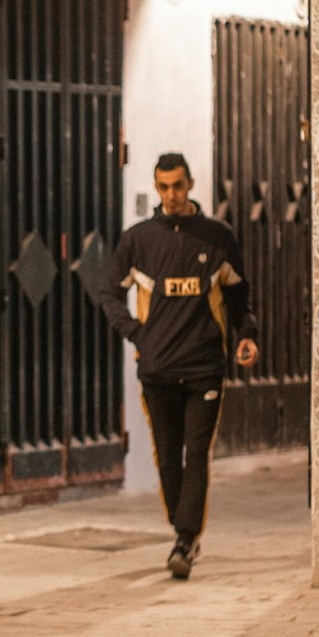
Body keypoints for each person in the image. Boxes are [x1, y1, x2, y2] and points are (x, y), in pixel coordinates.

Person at [99, 152, 259, 580]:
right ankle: (181, 528)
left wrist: (246, 336)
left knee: (196, 454)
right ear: (157, 189)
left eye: (178, 186)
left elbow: (239, 297)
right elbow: (109, 295)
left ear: (190, 184)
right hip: (157, 368)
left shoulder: (217, 237)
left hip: (206, 365)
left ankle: (185, 539)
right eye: (163, 187)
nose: (171, 195)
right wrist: (138, 334)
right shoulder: (138, 240)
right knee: (168, 457)